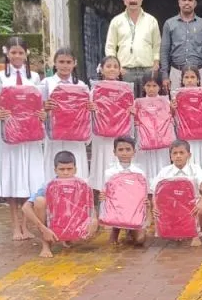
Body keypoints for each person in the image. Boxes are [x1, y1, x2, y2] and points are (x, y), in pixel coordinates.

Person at [0, 36, 45, 241]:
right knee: (13, 177)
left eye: (20, 52)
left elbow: (39, 105)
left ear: (26, 54)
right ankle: (15, 227)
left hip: (30, 134)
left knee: (28, 179)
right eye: (13, 52)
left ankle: (26, 225)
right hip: (10, 135)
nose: (17, 56)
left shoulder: (35, 78)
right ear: (7, 53)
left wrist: (42, 115)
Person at [22, 151, 100, 259]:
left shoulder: (81, 185)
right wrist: (43, 228)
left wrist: (94, 220)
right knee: (40, 201)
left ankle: (68, 238)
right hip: (53, 220)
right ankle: (46, 245)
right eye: (62, 169)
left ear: (75, 169)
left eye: (69, 169)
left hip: (72, 220)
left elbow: (89, 205)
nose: (66, 173)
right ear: (55, 170)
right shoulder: (48, 185)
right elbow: (25, 208)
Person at [41, 47, 90, 182]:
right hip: (54, 136)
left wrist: (89, 108)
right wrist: (45, 107)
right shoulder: (46, 83)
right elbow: (39, 109)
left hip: (76, 136)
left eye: (68, 62)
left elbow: (86, 113)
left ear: (74, 63)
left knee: (77, 166)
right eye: (61, 62)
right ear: (55, 63)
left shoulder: (82, 85)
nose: (65, 65)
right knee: (53, 167)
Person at [151, 139, 202, 247]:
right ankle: (171, 231)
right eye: (175, 153)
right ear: (170, 156)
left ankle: (195, 233)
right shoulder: (165, 171)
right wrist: (155, 206)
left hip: (191, 206)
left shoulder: (195, 169)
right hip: (172, 206)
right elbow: (155, 192)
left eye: (181, 153)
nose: (178, 156)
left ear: (189, 155)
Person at [104, 0, 160, 96]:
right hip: (125, 71)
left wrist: (155, 64)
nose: (133, 0)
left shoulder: (151, 20)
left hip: (147, 71)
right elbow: (110, 46)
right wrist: (116, 68)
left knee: (146, 105)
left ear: (141, 0)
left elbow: (157, 45)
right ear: (124, 0)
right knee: (127, 104)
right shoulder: (116, 21)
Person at [161, 0, 202, 92]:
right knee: (177, 104)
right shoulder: (169, 24)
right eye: (184, 0)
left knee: (198, 104)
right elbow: (164, 50)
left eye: (190, 0)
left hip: (198, 72)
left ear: (195, 3)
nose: (187, 3)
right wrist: (165, 75)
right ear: (179, 2)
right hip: (176, 72)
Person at [88, 56, 126, 195]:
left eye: (115, 66)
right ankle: (101, 209)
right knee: (101, 168)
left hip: (118, 136)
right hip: (101, 137)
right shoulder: (95, 90)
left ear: (119, 70)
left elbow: (128, 110)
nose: (112, 69)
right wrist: (90, 108)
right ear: (102, 70)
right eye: (108, 66)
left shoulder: (125, 90)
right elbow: (88, 112)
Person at [103, 135, 148, 246]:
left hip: (133, 212)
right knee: (111, 243)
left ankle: (130, 229)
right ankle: (116, 229)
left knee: (140, 240)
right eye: (121, 150)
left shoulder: (140, 173)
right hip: (116, 211)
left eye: (128, 149)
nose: (124, 153)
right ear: (114, 152)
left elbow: (142, 196)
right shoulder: (109, 172)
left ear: (134, 151)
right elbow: (106, 194)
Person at [171, 66, 202, 181]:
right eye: (187, 77)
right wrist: (172, 108)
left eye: (193, 77)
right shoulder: (177, 94)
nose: (190, 80)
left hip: (200, 135)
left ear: (198, 79)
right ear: (182, 80)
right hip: (185, 136)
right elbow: (173, 117)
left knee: (201, 158)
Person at [133, 71, 172, 180]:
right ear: (143, 86)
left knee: (162, 166)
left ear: (159, 87)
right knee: (144, 168)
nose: (151, 89)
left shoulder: (166, 102)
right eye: (148, 85)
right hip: (144, 142)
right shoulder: (137, 103)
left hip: (162, 142)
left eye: (154, 85)